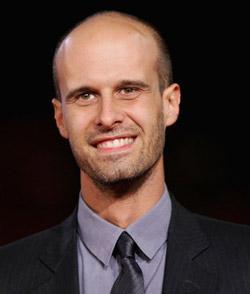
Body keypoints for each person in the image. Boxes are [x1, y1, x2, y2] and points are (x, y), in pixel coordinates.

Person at [0, 10, 249, 294]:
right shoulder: (7, 276)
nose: (107, 117)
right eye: (85, 95)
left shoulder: (244, 264)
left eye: (128, 90)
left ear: (170, 103)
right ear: (60, 118)